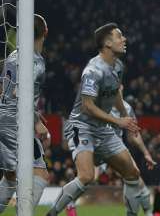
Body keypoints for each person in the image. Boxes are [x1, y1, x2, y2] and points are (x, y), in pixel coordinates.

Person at [47, 23, 146, 216]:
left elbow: (115, 93)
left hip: (103, 129)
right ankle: (52, 213)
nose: (124, 39)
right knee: (86, 176)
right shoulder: (93, 70)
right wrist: (118, 122)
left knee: (133, 174)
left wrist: (126, 117)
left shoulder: (118, 66)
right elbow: (87, 106)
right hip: (81, 126)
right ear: (107, 43)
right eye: (119, 36)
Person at [65, 98, 156, 216]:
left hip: (117, 149)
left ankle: (149, 212)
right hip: (98, 146)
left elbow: (133, 134)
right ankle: (70, 202)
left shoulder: (127, 108)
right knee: (90, 177)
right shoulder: (97, 102)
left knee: (135, 176)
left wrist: (146, 153)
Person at [0, 14, 50, 213]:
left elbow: (4, 88)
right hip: (16, 122)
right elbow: (19, 92)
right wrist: (36, 121)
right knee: (40, 174)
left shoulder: (14, 55)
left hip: (3, 117)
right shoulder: (35, 62)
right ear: (45, 32)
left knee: (11, 177)